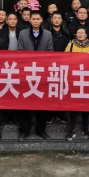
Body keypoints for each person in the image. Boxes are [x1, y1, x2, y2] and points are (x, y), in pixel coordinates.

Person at [17, 11, 54, 141]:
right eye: (34, 19)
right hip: (26, 72)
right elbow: (20, 51)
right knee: (25, 103)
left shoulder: (48, 34)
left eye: (38, 19)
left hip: (42, 73)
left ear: (41, 20)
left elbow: (50, 52)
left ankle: (41, 130)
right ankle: (24, 130)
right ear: (30, 20)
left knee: (42, 103)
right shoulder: (22, 33)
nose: (36, 21)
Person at [64, 28, 89, 141]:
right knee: (74, 106)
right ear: (75, 34)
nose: (80, 34)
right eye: (78, 33)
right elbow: (65, 59)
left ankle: (85, 129)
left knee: (85, 107)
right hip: (74, 78)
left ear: (86, 35)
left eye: (83, 33)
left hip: (86, 79)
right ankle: (71, 130)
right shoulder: (71, 45)